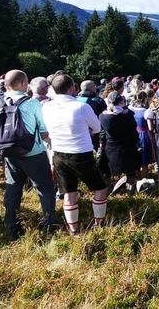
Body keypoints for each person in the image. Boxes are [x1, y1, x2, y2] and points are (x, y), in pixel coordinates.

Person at [0, 70, 58, 240]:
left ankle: (12, 226)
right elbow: (43, 131)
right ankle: (49, 223)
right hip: (33, 152)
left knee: (13, 188)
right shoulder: (32, 103)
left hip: (8, 152)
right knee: (44, 187)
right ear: (22, 83)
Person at [42, 74, 108, 235]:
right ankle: (99, 223)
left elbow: (46, 130)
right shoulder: (81, 107)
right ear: (71, 88)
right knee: (100, 189)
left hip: (59, 153)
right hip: (81, 153)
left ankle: (74, 228)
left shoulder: (46, 107)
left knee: (69, 193)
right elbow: (97, 127)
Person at [98, 92, 140, 182]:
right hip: (128, 146)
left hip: (111, 147)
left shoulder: (103, 117)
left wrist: (101, 143)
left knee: (113, 172)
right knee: (130, 172)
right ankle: (130, 190)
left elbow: (103, 132)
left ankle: (115, 188)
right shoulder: (127, 116)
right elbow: (134, 129)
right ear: (122, 102)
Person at [128, 90, 155, 179]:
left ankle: (137, 178)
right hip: (143, 135)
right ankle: (144, 180)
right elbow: (150, 128)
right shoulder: (146, 111)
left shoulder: (130, 108)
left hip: (133, 134)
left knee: (136, 159)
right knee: (144, 161)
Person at [77, 80, 107, 151]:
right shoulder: (96, 101)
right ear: (91, 88)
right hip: (95, 132)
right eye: (94, 86)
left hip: (81, 132)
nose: (96, 87)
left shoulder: (75, 99)